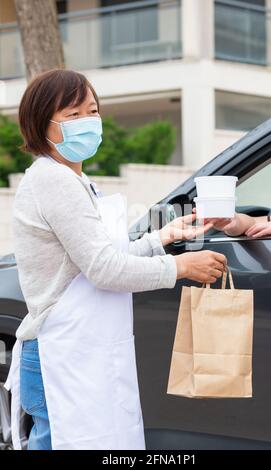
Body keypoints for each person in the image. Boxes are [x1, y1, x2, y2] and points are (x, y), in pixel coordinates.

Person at [5, 69, 227, 451]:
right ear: (42, 124)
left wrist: (161, 238)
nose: (88, 121)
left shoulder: (75, 180)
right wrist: (180, 267)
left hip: (83, 353)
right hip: (63, 356)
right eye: (73, 115)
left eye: (92, 111)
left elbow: (101, 258)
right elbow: (104, 270)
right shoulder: (53, 181)